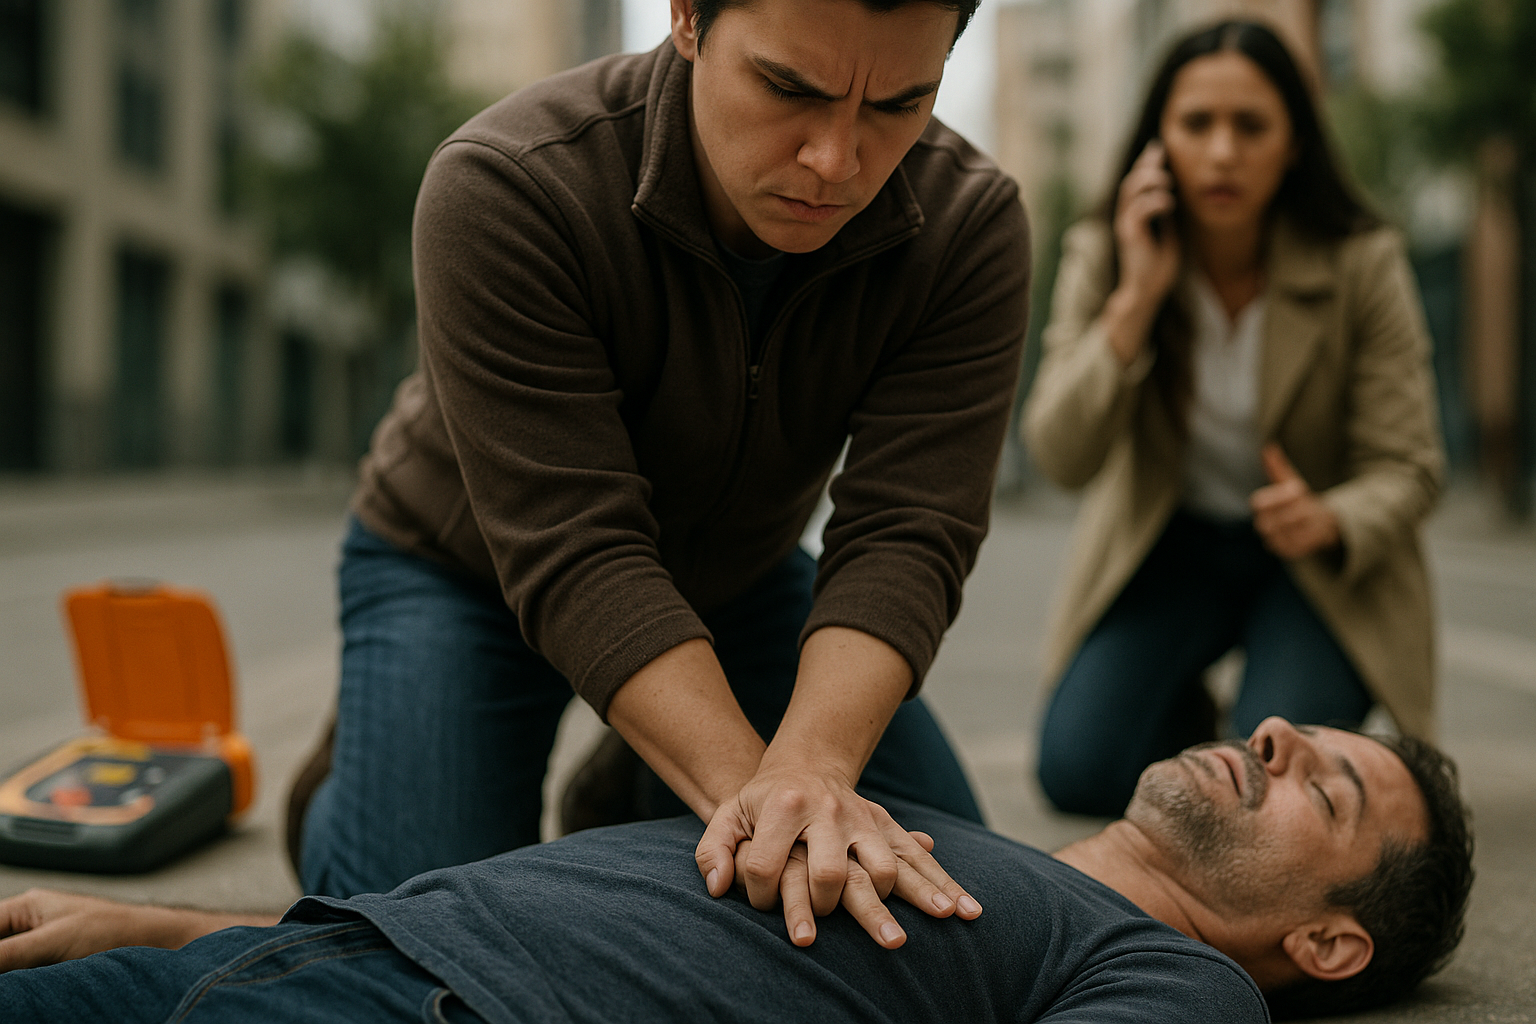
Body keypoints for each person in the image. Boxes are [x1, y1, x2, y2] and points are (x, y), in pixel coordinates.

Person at [292, 0, 1032, 944]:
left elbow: (907, 529)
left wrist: (812, 770)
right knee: (434, 929)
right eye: (788, 88)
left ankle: (639, 783)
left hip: (741, 581)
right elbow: (580, 550)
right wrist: (764, 803)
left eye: (898, 102)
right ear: (687, 15)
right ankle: (363, 777)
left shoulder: (970, 223)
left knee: (947, 890)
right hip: (461, 568)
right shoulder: (508, 183)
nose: (836, 161)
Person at [0, 718, 1474, 1022]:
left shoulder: (1167, 979)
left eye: (1322, 784)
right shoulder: (967, 854)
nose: (1272, 730)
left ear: (1333, 944)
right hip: (338, 948)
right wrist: (170, 917)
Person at [1021, 20, 1444, 817]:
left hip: (1310, 565)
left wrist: (1330, 516)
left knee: (1266, 793)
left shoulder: (1362, 261)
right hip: (1173, 545)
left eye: (1250, 126)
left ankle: (1290, 704)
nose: (1221, 153)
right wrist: (1136, 301)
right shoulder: (1105, 252)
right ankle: (1186, 716)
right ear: (1158, 140)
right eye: (1195, 124)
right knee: (1078, 771)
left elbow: (1413, 464)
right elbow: (1060, 454)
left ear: (1292, 144)